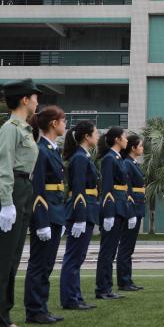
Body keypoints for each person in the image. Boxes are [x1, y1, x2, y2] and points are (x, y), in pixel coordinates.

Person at [0, 78, 42, 327]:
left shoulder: (25, 129)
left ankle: (4, 316)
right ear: (24, 99)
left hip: (23, 189)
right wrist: (7, 203)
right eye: (35, 97)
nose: (37, 102)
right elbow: (5, 166)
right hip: (11, 190)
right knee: (2, 260)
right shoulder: (10, 128)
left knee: (13, 259)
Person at [23, 106, 67, 325]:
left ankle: (41, 307)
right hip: (46, 213)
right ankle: (34, 310)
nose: (65, 124)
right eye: (63, 120)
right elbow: (38, 188)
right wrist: (41, 221)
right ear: (53, 123)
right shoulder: (41, 150)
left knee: (47, 265)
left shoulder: (52, 150)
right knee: (39, 264)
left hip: (55, 212)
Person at [59, 120, 100, 310]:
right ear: (86, 136)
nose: (98, 136)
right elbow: (78, 189)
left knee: (78, 256)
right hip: (81, 211)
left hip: (87, 209)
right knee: (74, 257)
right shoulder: (80, 158)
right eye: (95, 133)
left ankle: (75, 296)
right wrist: (80, 218)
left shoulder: (83, 156)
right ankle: (70, 299)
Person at [95, 126, 131, 300]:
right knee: (107, 251)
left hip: (120, 206)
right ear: (117, 139)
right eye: (124, 136)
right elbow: (107, 187)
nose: (126, 140)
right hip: (113, 207)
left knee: (111, 251)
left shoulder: (117, 157)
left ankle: (107, 287)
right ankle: (103, 288)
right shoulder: (110, 158)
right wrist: (109, 213)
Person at [118, 134, 145, 291]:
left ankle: (127, 279)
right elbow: (127, 190)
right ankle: (124, 281)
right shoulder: (127, 164)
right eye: (140, 145)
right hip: (132, 208)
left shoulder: (132, 163)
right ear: (133, 148)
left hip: (137, 207)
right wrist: (130, 212)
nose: (142, 148)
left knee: (129, 247)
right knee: (126, 247)